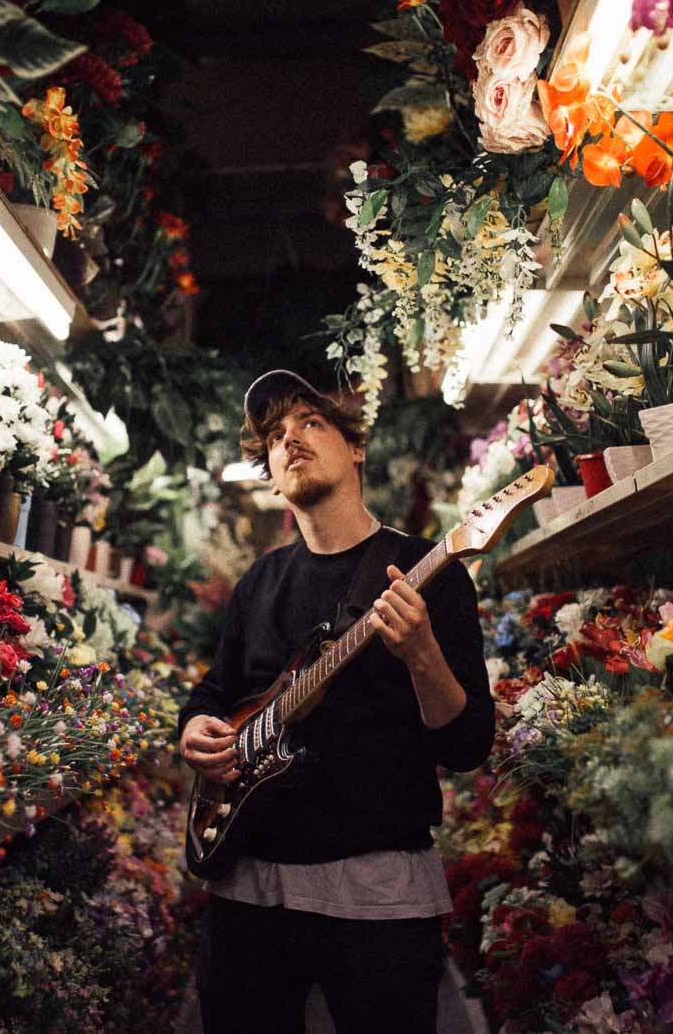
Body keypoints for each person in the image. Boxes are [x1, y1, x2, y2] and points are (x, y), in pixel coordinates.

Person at [178, 370, 495, 1034]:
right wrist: (196, 727)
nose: (289, 439)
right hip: (247, 890)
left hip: (377, 898)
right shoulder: (260, 580)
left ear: (355, 448)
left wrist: (422, 653)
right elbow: (217, 688)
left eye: (310, 423)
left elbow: (467, 744)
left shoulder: (427, 572)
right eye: (274, 437)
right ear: (272, 477)